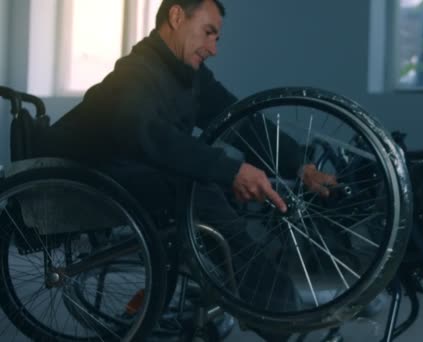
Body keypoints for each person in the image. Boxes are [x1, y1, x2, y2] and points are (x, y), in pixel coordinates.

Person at [39, 0, 336, 341]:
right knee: (199, 191)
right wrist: (230, 170)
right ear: (177, 16)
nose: (213, 49)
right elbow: (145, 134)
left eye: (217, 39)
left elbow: (238, 120)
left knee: (209, 185)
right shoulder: (137, 71)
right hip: (87, 175)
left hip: (124, 172)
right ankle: (281, 314)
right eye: (208, 33)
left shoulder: (186, 76)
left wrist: (300, 164)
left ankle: (232, 298)